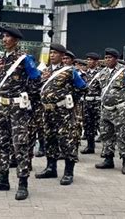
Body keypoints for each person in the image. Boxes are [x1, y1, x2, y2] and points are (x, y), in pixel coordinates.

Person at [0, 27, 41, 201]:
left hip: (17, 108)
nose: (4, 39)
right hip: (0, 106)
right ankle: (2, 179)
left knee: (20, 145)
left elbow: (36, 80)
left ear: (16, 40)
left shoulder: (25, 59)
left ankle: (23, 184)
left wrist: (27, 97)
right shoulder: (0, 60)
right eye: (4, 36)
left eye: (8, 36)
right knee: (0, 143)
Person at [35, 43, 86, 186]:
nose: (52, 55)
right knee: (49, 138)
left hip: (63, 112)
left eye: (55, 53)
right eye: (51, 53)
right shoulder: (45, 71)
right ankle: (51, 168)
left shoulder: (69, 71)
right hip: (47, 111)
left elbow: (82, 87)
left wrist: (71, 100)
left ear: (63, 56)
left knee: (66, 140)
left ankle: (69, 172)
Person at [94, 48, 125, 174]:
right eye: (106, 57)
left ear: (116, 59)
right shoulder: (102, 73)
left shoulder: (124, 72)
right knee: (106, 134)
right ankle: (108, 159)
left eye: (110, 58)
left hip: (120, 109)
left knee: (123, 134)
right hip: (105, 109)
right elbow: (97, 89)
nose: (107, 60)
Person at [81, 52, 101, 155]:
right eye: (87, 60)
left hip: (97, 101)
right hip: (87, 101)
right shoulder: (84, 73)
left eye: (91, 60)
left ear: (96, 62)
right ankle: (90, 146)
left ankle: (106, 149)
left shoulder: (101, 73)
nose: (89, 62)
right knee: (88, 125)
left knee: (100, 125)